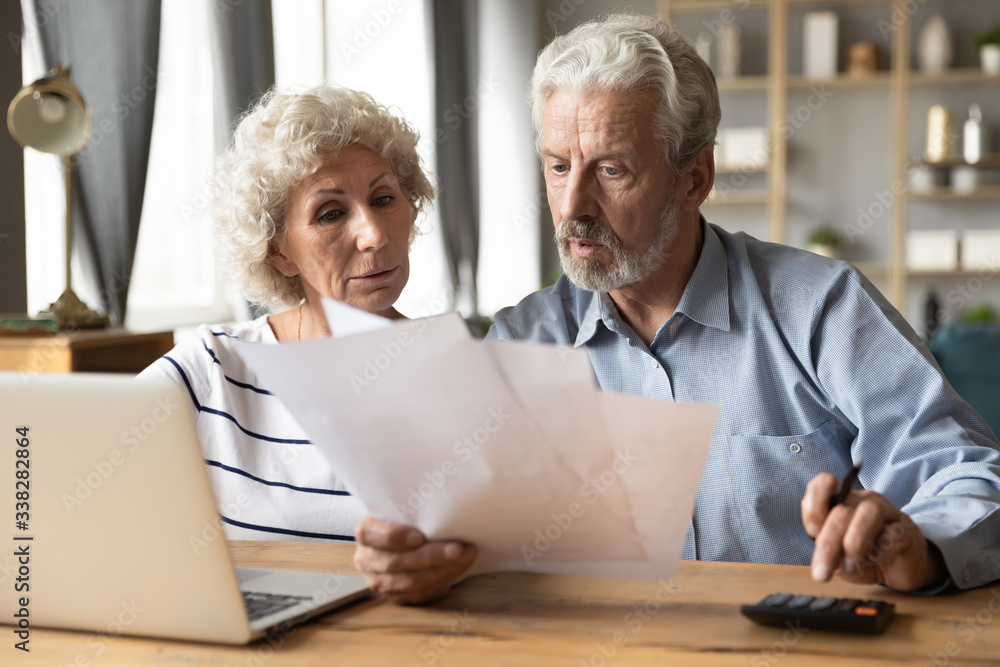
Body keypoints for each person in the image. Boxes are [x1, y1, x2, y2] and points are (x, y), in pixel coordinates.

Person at [354, 14, 1000, 603]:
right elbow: (467, 525)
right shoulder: (521, 340)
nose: (573, 205)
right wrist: (426, 557)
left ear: (695, 177)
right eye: (557, 167)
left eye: (610, 170)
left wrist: (916, 544)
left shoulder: (822, 308)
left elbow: (967, 472)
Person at [137, 85, 459, 550]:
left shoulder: (459, 376)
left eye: (384, 199)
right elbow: (68, 465)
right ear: (279, 252)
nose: (373, 234)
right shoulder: (214, 369)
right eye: (331, 214)